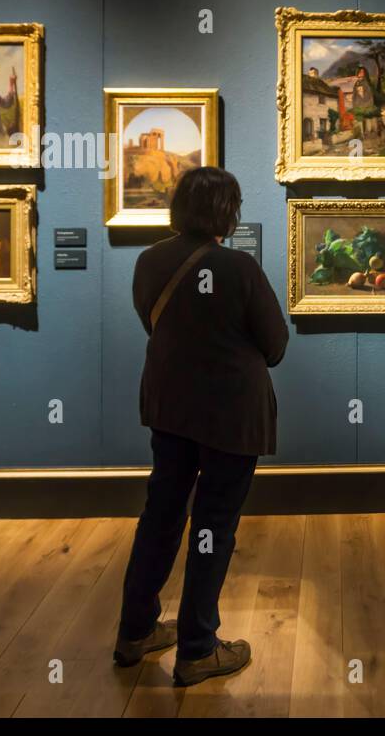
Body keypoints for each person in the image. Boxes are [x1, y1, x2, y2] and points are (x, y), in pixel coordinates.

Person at [114, 166, 289, 687]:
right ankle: (196, 648)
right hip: (230, 417)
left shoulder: (149, 260)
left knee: (161, 516)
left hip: (170, 408)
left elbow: (152, 322)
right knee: (213, 526)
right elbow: (276, 346)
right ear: (226, 212)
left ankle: (135, 632)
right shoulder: (238, 267)